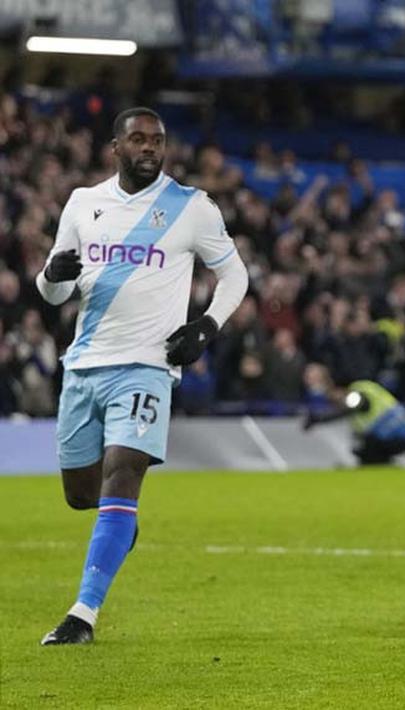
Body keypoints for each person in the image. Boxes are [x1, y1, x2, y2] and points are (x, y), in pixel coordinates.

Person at [37, 107, 249, 645]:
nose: (150, 148)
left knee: (122, 472)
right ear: (116, 147)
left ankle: (82, 614)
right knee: (82, 496)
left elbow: (234, 274)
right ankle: (118, 527)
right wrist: (50, 277)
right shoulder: (84, 204)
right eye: (138, 139)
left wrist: (205, 326)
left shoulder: (191, 207)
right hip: (85, 364)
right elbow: (54, 287)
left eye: (157, 140)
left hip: (149, 366)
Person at [304, 379, 405, 465]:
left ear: (339, 389)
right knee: (361, 446)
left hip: (394, 436)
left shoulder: (357, 394)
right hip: (400, 435)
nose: (334, 401)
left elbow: (347, 410)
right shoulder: (365, 389)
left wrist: (318, 419)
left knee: (366, 449)